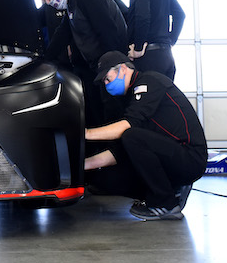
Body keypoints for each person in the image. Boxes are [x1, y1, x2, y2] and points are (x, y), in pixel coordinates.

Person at [84, 50, 207, 221]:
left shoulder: (149, 82)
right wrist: (82, 166)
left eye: (107, 78)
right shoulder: (130, 97)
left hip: (190, 158)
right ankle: (171, 190)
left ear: (123, 69)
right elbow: (120, 150)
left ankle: (166, 203)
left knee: (131, 135)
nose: (106, 84)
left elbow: (128, 129)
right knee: (104, 181)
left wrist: (86, 134)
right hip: (170, 156)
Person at [37, 0, 126, 73]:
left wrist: (111, 65)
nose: (48, 2)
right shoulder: (71, 0)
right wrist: (45, 59)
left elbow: (107, 31)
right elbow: (63, 33)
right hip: (96, 62)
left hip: (110, 63)